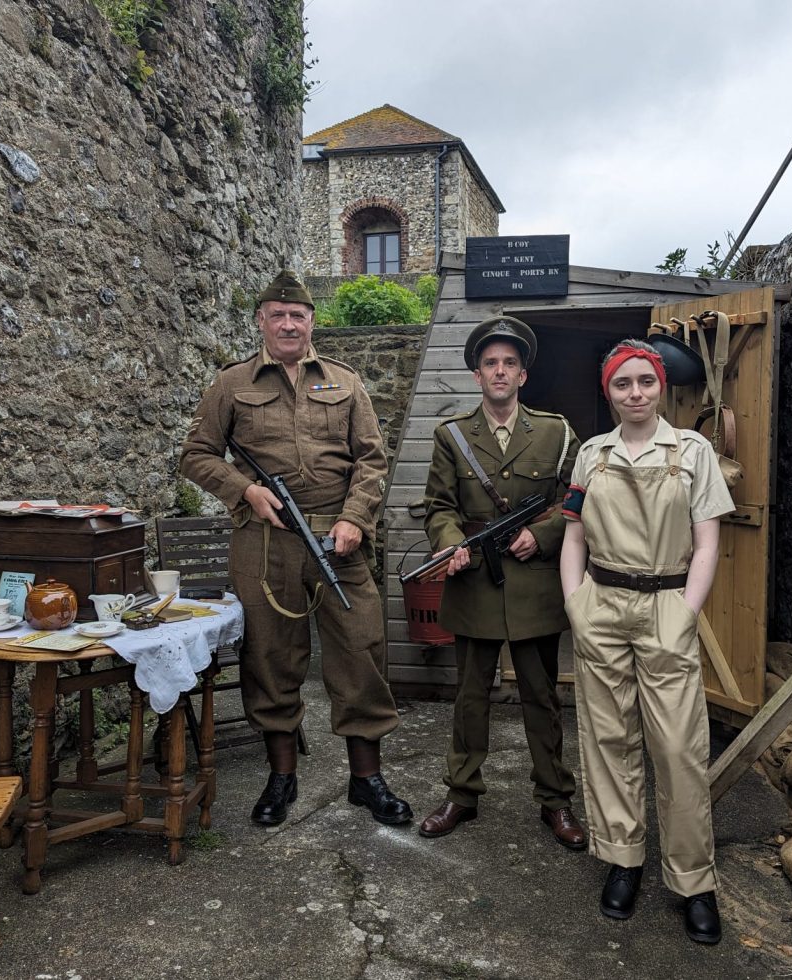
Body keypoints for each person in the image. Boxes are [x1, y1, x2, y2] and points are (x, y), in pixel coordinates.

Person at [179, 270, 412, 828]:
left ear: (311, 322)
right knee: (270, 658)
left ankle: (367, 780)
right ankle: (281, 777)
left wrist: (356, 518)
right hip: (266, 546)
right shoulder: (232, 383)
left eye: (298, 316)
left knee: (361, 650)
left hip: (339, 541)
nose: (288, 324)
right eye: (277, 315)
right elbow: (197, 454)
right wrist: (246, 491)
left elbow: (373, 460)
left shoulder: (345, 382)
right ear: (261, 320)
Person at [559, 337, 735, 944]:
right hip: (602, 605)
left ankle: (693, 881)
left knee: (679, 748)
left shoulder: (694, 450)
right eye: (621, 384)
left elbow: (708, 541)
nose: (634, 394)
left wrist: (686, 612)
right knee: (610, 738)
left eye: (645, 382)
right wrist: (575, 602)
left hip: (666, 603)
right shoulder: (591, 454)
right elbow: (575, 535)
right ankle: (623, 860)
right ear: (607, 392)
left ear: (662, 386)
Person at [417, 315, 586, 849]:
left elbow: (578, 499)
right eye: (490, 362)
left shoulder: (557, 433)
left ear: (523, 375)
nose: (499, 371)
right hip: (474, 581)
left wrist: (545, 535)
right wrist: (449, 544)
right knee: (470, 695)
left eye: (509, 363)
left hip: (535, 583)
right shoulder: (452, 436)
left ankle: (556, 799)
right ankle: (462, 795)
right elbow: (438, 506)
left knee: (541, 696)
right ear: (476, 374)